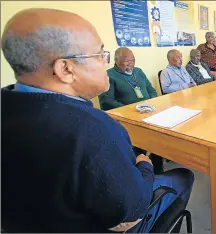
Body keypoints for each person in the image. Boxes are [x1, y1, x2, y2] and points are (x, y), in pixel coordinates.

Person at [1, 8, 194, 233]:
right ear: (65, 69)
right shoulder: (94, 129)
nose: (106, 63)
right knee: (183, 176)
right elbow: (132, 208)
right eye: (101, 55)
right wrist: (144, 165)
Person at [98, 47, 164, 174]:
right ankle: (140, 170)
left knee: (158, 138)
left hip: (149, 112)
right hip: (128, 119)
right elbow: (106, 102)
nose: (131, 64)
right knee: (140, 143)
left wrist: (152, 103)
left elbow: (151, 90)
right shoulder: (109, 75)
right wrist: (131, 110)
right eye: (126, 61)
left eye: (133, 60)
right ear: (116, 60)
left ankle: (158, 169)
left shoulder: (138, 71)